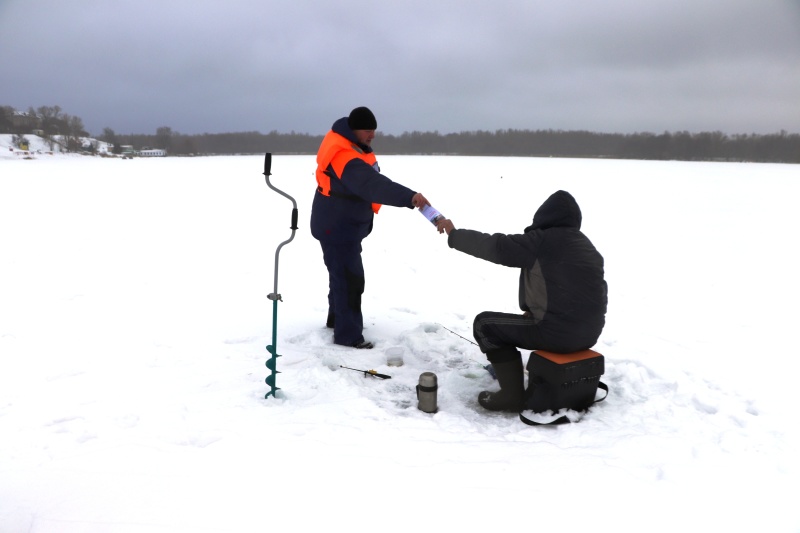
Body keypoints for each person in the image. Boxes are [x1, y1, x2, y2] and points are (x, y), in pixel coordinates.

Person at [435, 190, 607, 411]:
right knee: (518, 324)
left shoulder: (542, 241)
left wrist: (454, 234)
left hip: (556, 333)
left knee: (485, 325)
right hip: (589, 334)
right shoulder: (588, 248)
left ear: (544, 217)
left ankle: (511, 395)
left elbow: (497, 247)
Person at [311, 106, 431, 349]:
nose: (372, 135)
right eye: (367, 130)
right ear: (354, 129)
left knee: (341, 276)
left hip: (340, 225)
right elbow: (373, 185)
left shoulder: (351, 145)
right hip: (337, 227)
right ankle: (348, 336)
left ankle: (338, 322)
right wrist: (410, 197)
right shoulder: (343, 155)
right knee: (350, 280)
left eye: (374, 130)